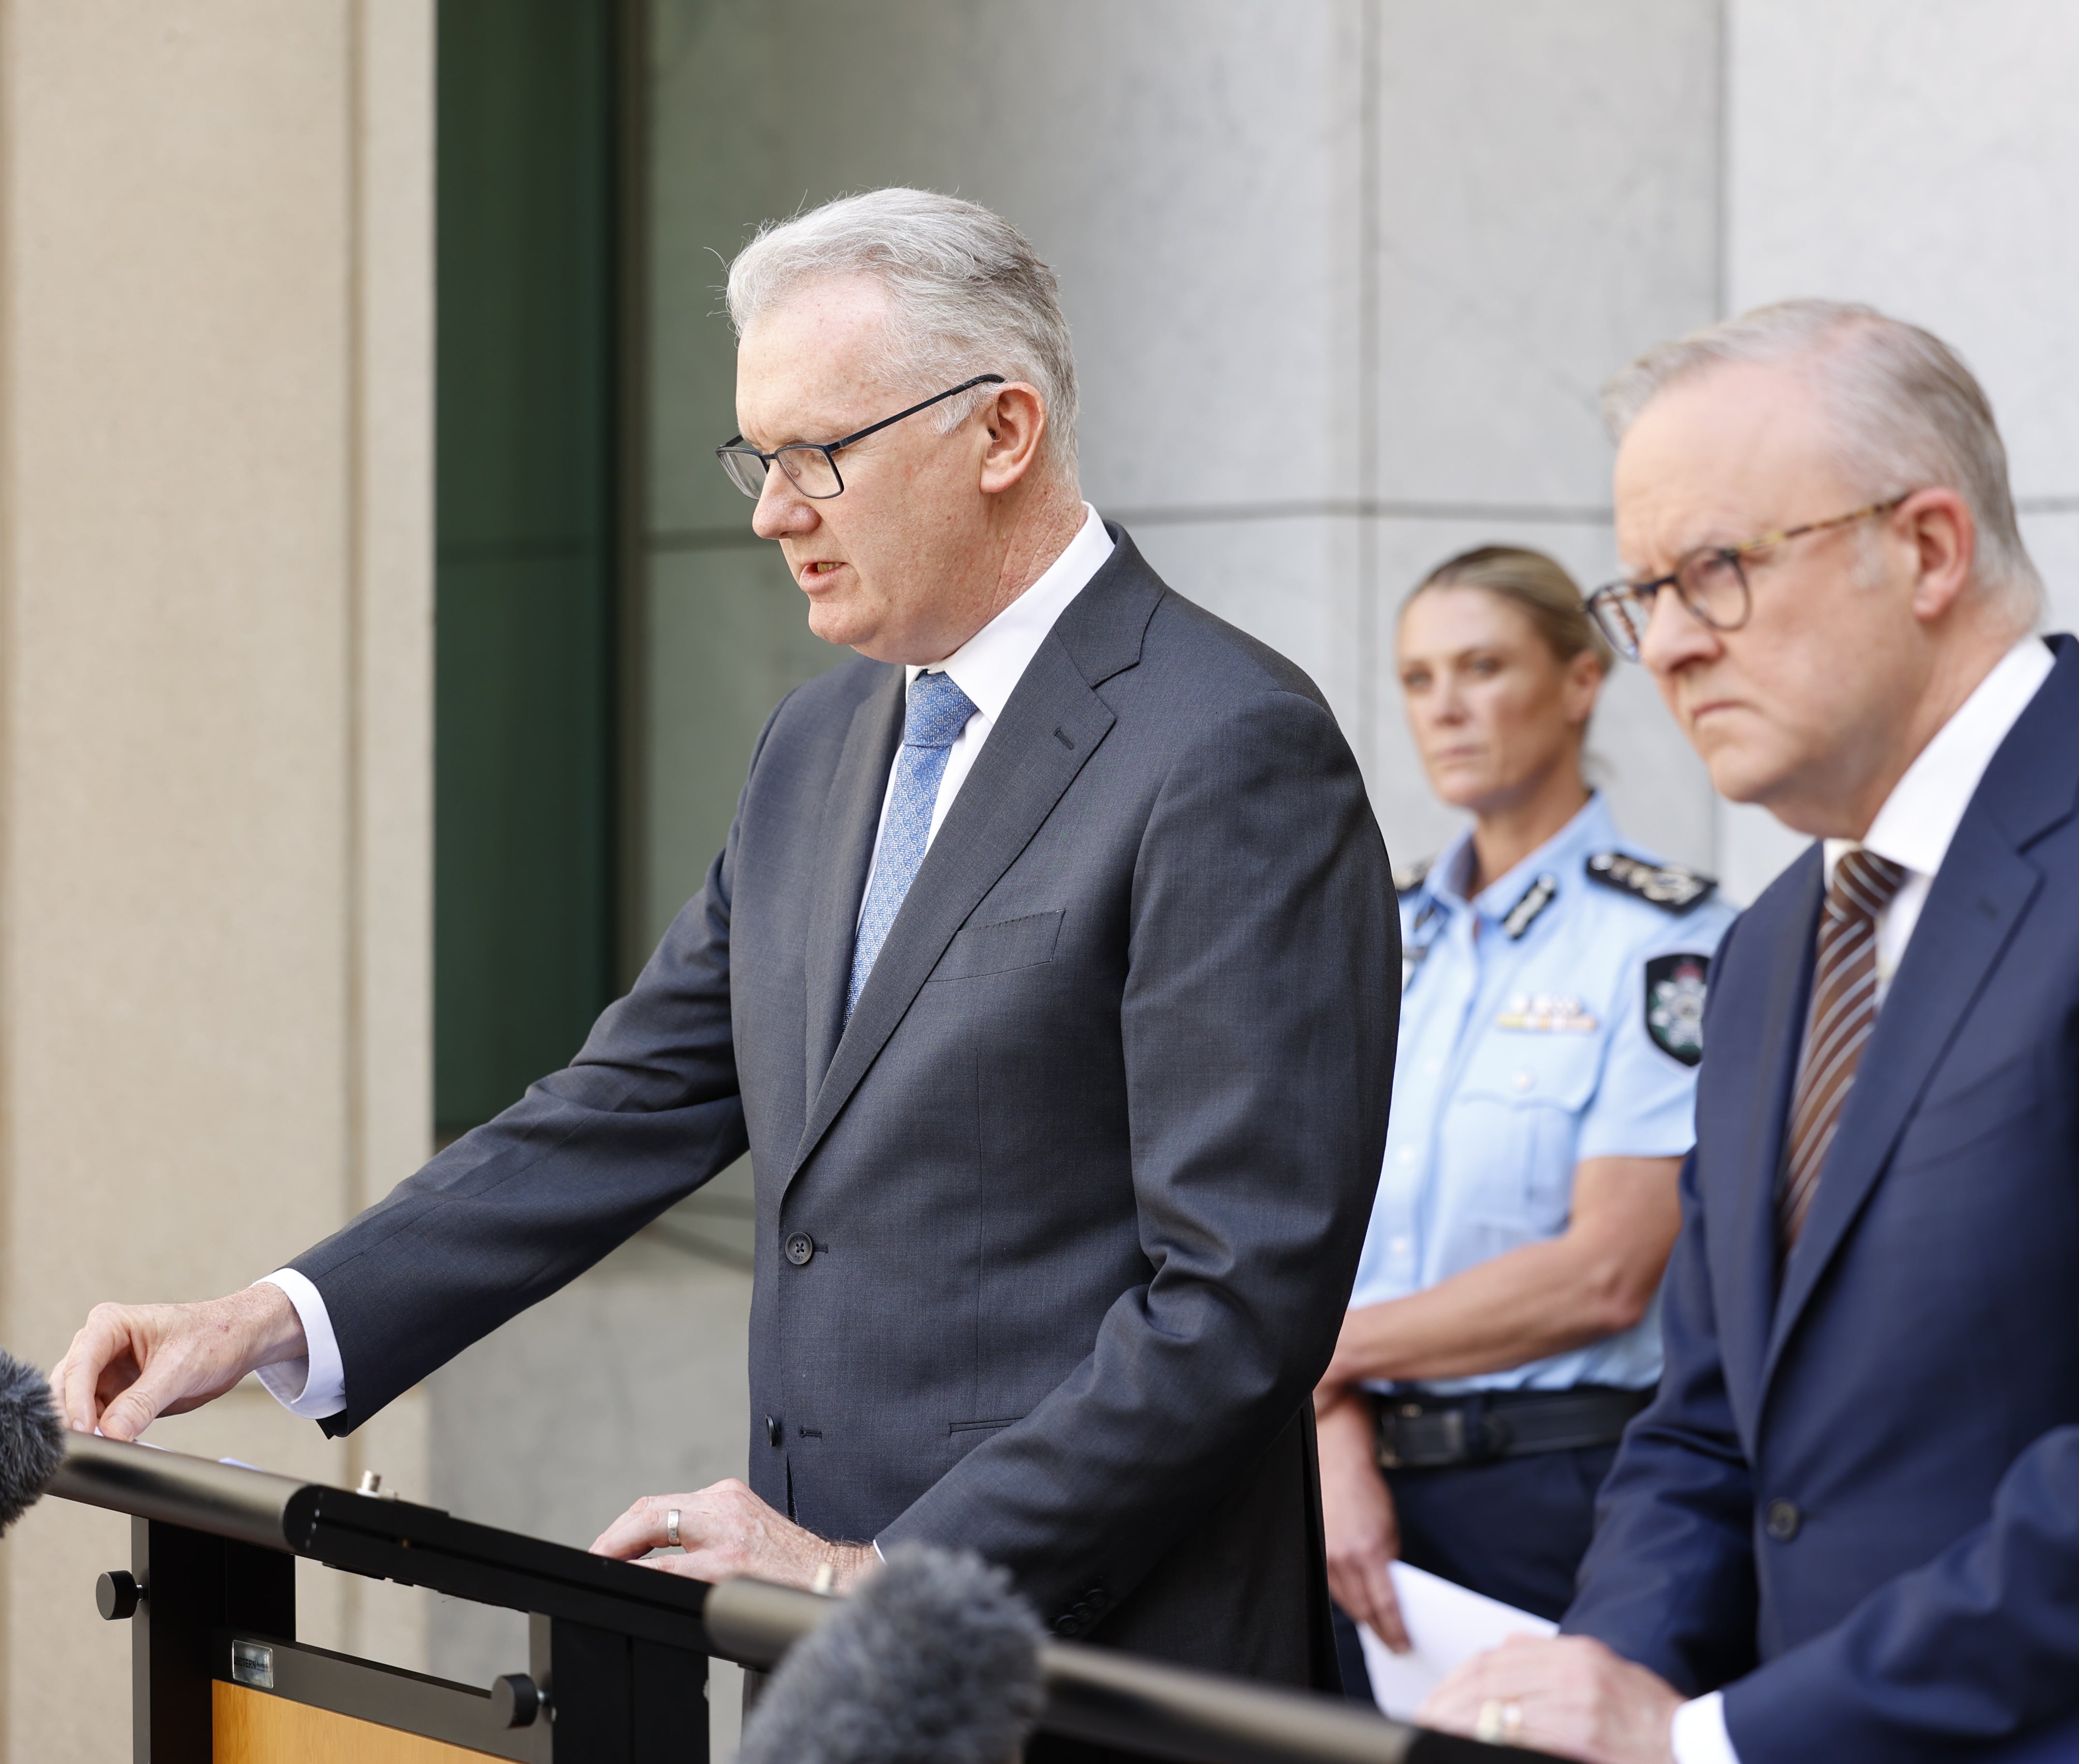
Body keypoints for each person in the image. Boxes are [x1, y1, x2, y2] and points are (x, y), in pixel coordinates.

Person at [47, 188, 1399, 1688]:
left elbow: (1237, 1301)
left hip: (1095, 1675)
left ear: (1001, 433)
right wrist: (267, 1321)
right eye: (757, 456)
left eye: (819, 453)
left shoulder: (1228, 750)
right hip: (821, 1658)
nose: (769, 511)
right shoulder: (819, 746)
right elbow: (623, 1107)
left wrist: (877, 1575)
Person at [1417, 300, 2079, 1761]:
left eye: (1711, 574)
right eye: (1640, 594)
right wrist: (1604, 1672)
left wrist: (1720, 1742)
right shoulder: (1776, 937)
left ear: (1925, 546)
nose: (1665, 648)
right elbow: (1709, 1430)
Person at [1318, 548, 1734, 1700]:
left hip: (1557, 1496)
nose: (1444, 707)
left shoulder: (1664, 944)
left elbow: (1604, 1275)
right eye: (1416, 678)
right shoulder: (1375, 934)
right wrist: (1330, 1429)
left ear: (1581, 682)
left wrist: (1314, 1363)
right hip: (1348, 1481)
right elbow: (1307, 1225)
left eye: (1483, 666)